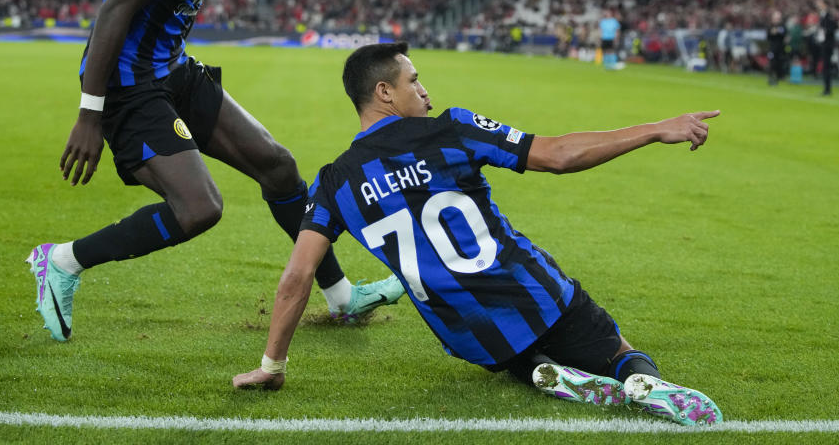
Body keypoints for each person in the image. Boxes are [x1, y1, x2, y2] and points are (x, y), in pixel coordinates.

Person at [26, 0, 404, 343]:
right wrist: (90, 113)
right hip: (128, 82)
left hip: (171, 69)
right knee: (199, 208)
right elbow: (115, 8)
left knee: (279, 167)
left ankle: (342, 298)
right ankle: (64, 261)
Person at [233, 42, 724, 427]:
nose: (426, 91)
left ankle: (536, 369)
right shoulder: (453, 130)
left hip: (470, 337)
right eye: (414, 80)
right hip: (536, 295)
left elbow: (298, 275)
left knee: (510, 350)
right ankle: (638, 379)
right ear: (384, 92)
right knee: (616, 348)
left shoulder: (333, 181)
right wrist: (656, 128)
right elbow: (556, 156)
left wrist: (272, 365)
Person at [815, 0, 838, 95]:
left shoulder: (829, 16)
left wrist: (825, 31)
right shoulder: (822, 15)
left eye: (820, 3)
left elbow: (833, 28)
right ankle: (826, 88)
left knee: (827, 67)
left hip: (828, 45)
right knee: (825, 67)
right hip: (824, 44)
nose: (818, 5)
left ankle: (827, 89)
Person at [766, 10, 787, 85]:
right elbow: (768, 36)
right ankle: (771, 77)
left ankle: (779, 77)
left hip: (780, 49)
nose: (777, 20)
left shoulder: (782, 26)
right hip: (772, 48)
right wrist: (773, 32)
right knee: (772, 63)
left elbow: (785, 35)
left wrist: (776, 32)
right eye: (775, 18)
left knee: (779, 63)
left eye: (778, 18)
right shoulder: (770, 26)